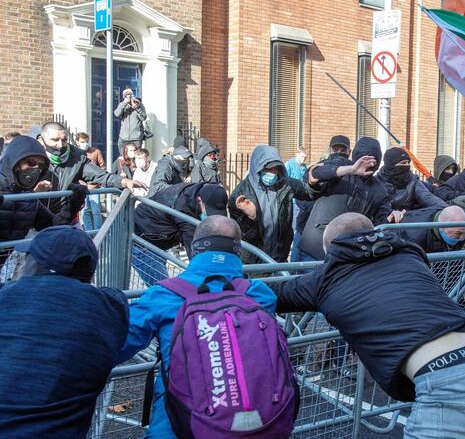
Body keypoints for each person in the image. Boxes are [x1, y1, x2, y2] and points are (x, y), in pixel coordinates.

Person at [271, 213, 465, 437]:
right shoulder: (409, 255)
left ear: (330, 250)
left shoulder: (324, 280)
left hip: (449, 386)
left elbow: (268, 294)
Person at [116, 216, 278, 439]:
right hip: (252, 422)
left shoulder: (163, 295)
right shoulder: (259, 295)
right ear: (237, 250)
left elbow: (117, 345)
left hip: (178, 425)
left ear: (194, 248)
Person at [0, 226, 128, 437]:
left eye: (29, 257)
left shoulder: (6, 296)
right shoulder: (111, 307)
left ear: (38, 265)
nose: (23, 264)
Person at [298, 136, 401, 261]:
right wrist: (351, 170)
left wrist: (391, 219)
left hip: (346, 254)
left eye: (374, 161)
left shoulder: (379, 190)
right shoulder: (342, 166)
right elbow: (315, 173)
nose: (370, 164)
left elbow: (380, 224)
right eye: (365, 160)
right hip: (315, 248)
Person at [229, 145, 326, 263]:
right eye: (268, 169)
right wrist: (252, 218)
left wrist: (312, 184)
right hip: (253, 263)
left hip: (279, 257)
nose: (272, 173)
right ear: (257, 168)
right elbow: (240, 236)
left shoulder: (285, 184)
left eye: (275, 169)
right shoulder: (240, 195)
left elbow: (307, 193)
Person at [0, 136, 86, 264]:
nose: (35, 169)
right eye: (30, 163)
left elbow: (52, 226)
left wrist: (72, 206)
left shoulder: (29, 198)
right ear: (14, 160)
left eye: (40, 166)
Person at [37, 121, 145, 215]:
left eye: (64, 140)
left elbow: (100, 175)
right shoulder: (32, 157)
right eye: (55, 140)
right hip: (36, 219)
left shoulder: (77, 157)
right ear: (42, 140)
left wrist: (124, 181)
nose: (60, 145)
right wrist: (35, 191)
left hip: (66, 218)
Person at [132, 182, 228, 285]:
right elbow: (194, 250)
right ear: (199, 200)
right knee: (163, 288)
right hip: (142, 243)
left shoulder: (199, 193)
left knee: (163, 285)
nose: (211, 217)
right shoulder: (183, 209)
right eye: (210, 211)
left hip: (158, 239)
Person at [293, 135, 352, 262]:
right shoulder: (316, 169)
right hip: (305, 230)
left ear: (349, 152)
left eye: (343, 150)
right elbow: (302, 199)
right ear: (329, 150)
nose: (339, 153)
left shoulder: (353, 175)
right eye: (335, 150)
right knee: (296, 271)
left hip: (335, 235)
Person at [374, 147, 447, 212]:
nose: (407, 165)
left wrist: (448, 210)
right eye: (403, 163)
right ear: (391, 165)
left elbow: (428, 198)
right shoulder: (376, 182)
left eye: (408, 162)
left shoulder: (413, 181)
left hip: (407, 220)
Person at [75, 132, 105, 230]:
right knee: (84, 210)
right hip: (82, 186)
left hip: (94, 186)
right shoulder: (76, 153)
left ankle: (98, 230)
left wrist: (98, 182)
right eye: (83, 142)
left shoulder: (96, 151)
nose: (85, 144)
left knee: (96, 210)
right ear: (77, 142)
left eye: (87, 141)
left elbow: (102, 167)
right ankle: (88, 230)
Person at [114, 87, 148, 154]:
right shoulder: (122, 105)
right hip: (123, 137)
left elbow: (143, 118)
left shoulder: (139, 104)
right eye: (126, 96)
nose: (129, 98)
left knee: (136, 156)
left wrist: (137, 108)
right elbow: (117, 114)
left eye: (130, 95)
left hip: (136, 138)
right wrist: (124, 103)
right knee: (123, 156)